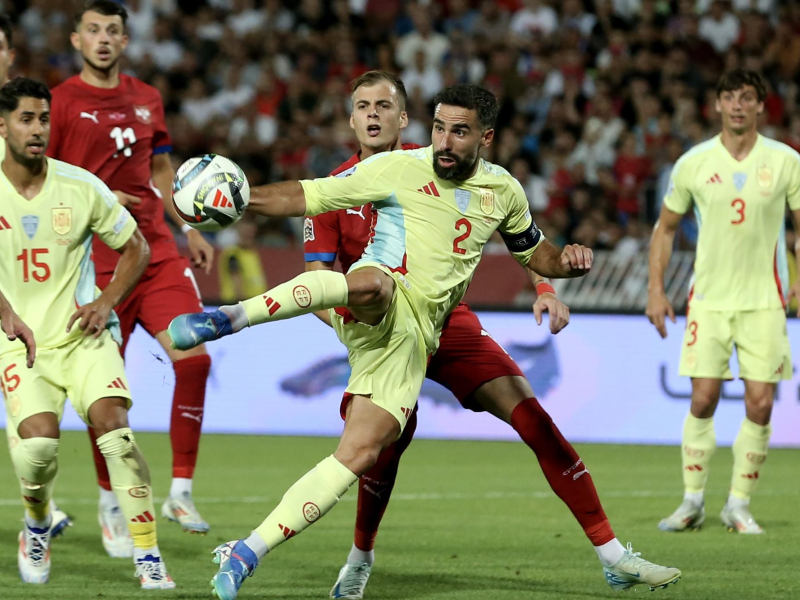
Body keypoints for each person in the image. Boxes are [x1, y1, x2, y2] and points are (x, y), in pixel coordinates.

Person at [170, 83, 682, 599]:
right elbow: (303, 200)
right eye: (439, 128)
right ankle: (230, 319)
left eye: (458, 131)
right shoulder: (379, 173)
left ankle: (614, 556)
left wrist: (559, 272)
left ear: (485, 137)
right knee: (374, 292)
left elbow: (536, 252)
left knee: (401, 444)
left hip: (439, 324)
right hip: (371, 313)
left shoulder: (500, 190)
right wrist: (242, 199)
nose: (444, 140)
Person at [46, 0, 216, 555]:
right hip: (95, 258)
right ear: (76, 40)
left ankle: (182, 491)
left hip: (158, 250)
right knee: (106, 390)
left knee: (197, 357)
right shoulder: (61, 103)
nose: (102, 39)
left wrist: (186, 221)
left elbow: (161, 166)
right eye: (92, 30)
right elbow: (42, 175)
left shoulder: (147, 98)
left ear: (125, 40)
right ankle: (110, 500)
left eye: (112, 31)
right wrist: (95, 194)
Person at [0, 77, 174, 588]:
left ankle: (147, 555)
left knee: (116, 434)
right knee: (38, 450)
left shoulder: (80, 186)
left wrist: (106, 301)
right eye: (26, 119)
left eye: (43, 119)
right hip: (19, 341)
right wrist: (5, 311)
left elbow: (137, 247)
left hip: (83, 337)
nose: (38, 129)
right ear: (2, 125)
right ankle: (37, 521)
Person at [647, 68, 800, 534]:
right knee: (704, 397)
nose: (737, 104)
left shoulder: (786, 160)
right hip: (708, 301)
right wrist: (655, 290)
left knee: (760, 404)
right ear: (716, 105)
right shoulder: (694, 162)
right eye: (729, 96)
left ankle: (738, 505)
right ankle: (692, 501)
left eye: (747, 97)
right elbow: (665, 228)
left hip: (765, 301)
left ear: (760, 106)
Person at [0, 10, 74, 539]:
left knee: (24, 398)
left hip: (20, 275)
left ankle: (37, 512)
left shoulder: (25, 118)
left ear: (9, 54)